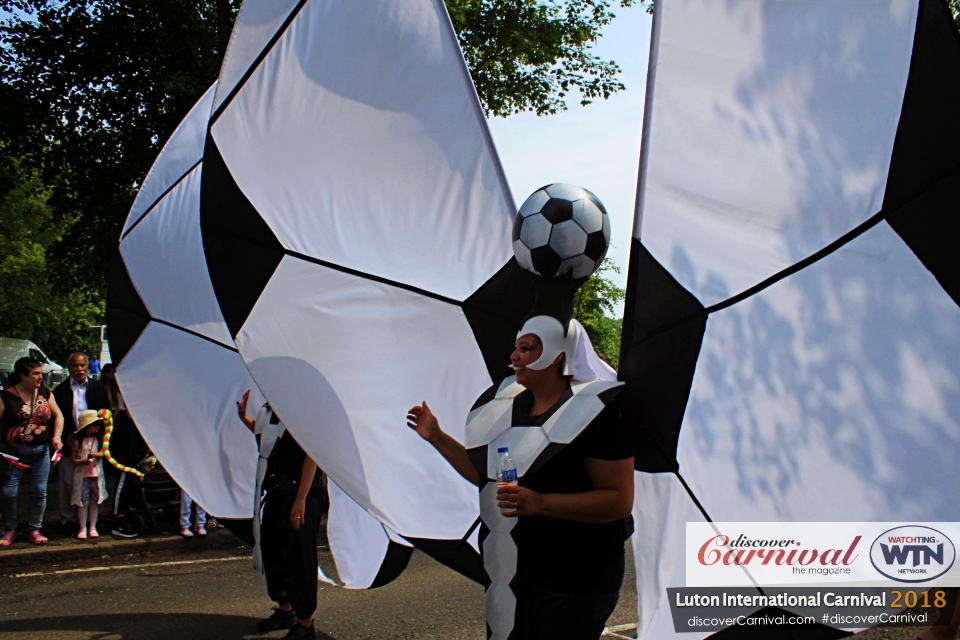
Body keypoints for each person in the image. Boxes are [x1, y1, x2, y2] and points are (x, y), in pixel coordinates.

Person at [405, 184, 633, 640]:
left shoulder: (599, 413)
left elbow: (617, 502)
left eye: (527, 348)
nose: (514, 356)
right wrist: (437, 437)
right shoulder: (506, 408)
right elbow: (490, 477)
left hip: (575, 584)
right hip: (513, 583)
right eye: (515, 347)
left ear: (556, 355)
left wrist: (541, 503)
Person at [237, 390, 325, 640]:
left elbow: (312, 455)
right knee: (273, 549)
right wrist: (244, 418)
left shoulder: (302, 409)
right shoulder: (269, 408)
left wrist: (300, 500)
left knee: (298, 555)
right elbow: (266, 443)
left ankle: (305, 623)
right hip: (278, 488)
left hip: (303, 491)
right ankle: (285, 609)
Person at [0, 357, 65, 546]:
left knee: (39, 491)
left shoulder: (45, 392)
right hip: (13, 454)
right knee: (8, 492)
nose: (40, 377)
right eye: (35, 373)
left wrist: (56, 437)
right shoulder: (6, 397)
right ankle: (10, 529)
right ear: (22, 376)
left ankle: (35, 529)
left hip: (40, 452)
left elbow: (58, 415)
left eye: (40, 372)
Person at [53, 353, 109, 532]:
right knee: (68, 482)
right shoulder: (60, 391)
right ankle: (68, 520)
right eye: (76, 366)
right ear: (69, 367)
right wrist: (67, 434)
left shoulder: (98, 388)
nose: (80, 369)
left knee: (94, 482)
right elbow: (58, 416)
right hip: (71, 442)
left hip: (94, 442)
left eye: (83, 365)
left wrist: (101, 439)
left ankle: (92, 522)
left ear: (88, 366)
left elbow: (105, 414)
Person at [100, 363, 149, 518]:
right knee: (125, 471)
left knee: (132, 471)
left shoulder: (124, 383)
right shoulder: (125, 383)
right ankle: (118, 511)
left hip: (129, 429)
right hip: (128, 430)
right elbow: (129, 412)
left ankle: (127, 506)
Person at [70, 410, 108, 540]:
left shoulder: (100, 439)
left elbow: (103, 453)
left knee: (94, 502)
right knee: (83, 502)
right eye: (93, 424)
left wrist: (95, 455)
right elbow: (73, 459)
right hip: (83, 476)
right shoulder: (78, 441)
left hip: (96, 475)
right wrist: (82, 461)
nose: (96, 427)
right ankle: (82, 528)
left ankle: (93, 526)